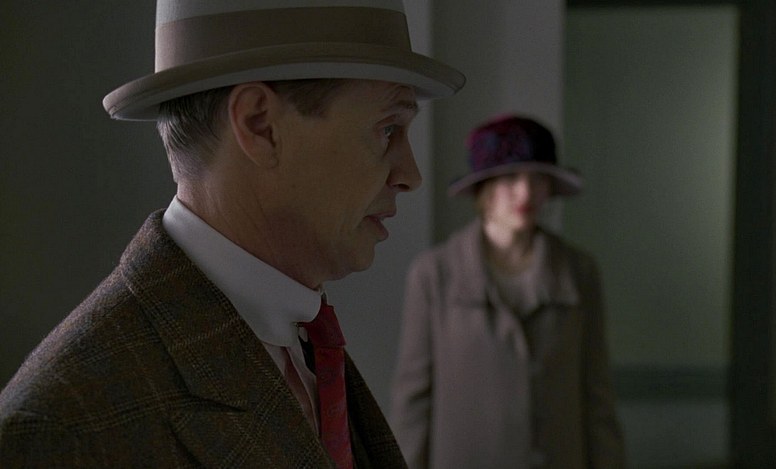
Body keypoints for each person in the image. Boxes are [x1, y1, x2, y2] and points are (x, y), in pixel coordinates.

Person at [0, 1, 464, 467]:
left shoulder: (302, 340)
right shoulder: (59, 434)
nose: (410, 175)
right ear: (260, 125)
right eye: (387, 129)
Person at [389, 115, 625, 469]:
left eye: (538, 178)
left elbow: (597, 396)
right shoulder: (434, 275)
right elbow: (413, 401)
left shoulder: (579, 272)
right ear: (483, 188)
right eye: (511, 177)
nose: (525, 193)